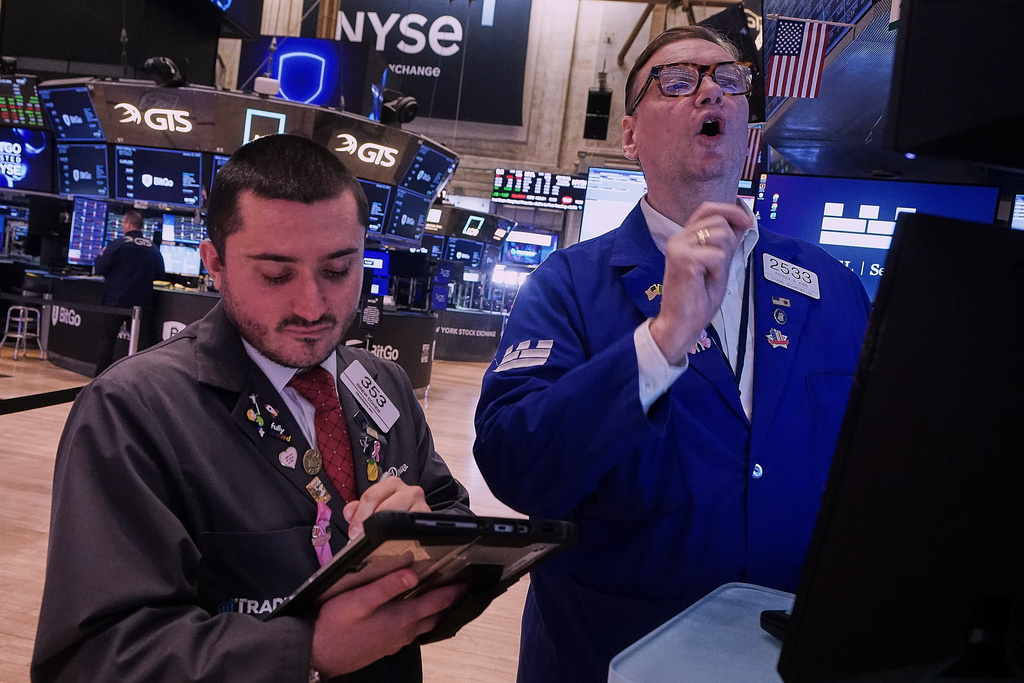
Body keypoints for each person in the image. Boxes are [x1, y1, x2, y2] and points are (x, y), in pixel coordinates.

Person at [473, 25, 871, 683]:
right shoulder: (569, 284)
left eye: (730, 79)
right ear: (630, 135)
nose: (710, 89)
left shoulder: (831, 286)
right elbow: (518, 467)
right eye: (678, 81)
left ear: (747, 124)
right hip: (614, 654)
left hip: (789, 659)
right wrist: (659, 342)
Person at [32, 134, 472, 682]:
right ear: (214, 264)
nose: (312, 305)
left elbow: (456, 521)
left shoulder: (382, 382)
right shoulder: (135, 411)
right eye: (275, 274)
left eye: (338, 270)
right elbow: (92, 658)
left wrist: (421, 536)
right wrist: (305, 651)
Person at [92, 208, 165, 374]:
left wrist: (101, 258)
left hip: (115, 300)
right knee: (141, 342)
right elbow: (160, 273)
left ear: (128, 224)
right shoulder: (152, 247)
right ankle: (140, 378)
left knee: (107, 341)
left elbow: (100, 268)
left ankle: (100, 378)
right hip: (142, 302)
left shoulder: (117, 244)